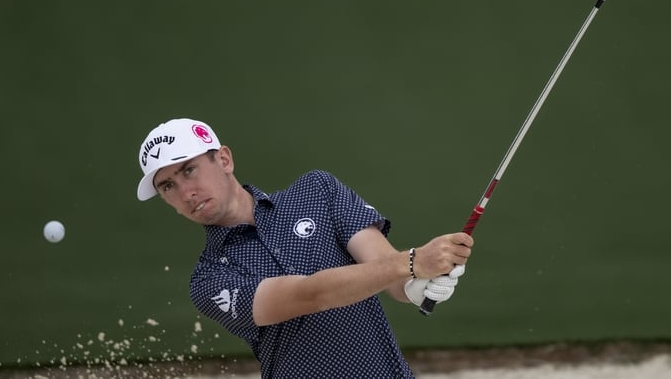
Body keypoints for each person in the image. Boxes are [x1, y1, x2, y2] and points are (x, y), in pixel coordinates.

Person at [136, 118, 474, 378]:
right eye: (168, 186)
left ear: (223, 159)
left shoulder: (318, 191)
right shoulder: (210, 279)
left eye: (189, 170)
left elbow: (391, 273)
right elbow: (310, 295)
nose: (185, 192)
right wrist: (413, 263)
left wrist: (419, 284)